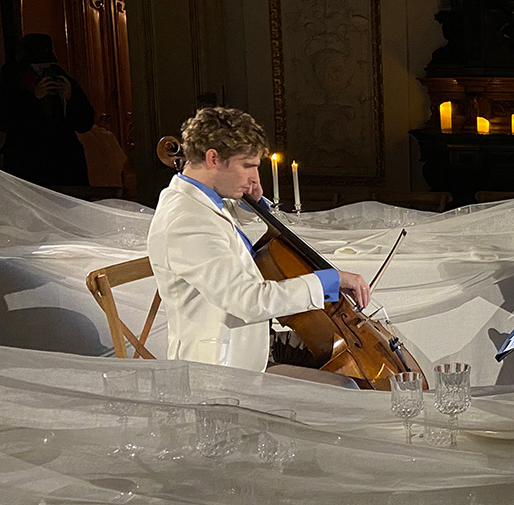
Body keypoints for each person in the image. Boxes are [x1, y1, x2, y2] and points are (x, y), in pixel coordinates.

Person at [147, 107, 370, 371]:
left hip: (249, 349)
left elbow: (223, 227)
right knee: (346, 385)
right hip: (220, 369)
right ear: (213, 158)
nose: (254, 178)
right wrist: (327, 281)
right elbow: (248, 301)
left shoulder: (196, 200)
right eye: (247, 166)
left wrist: (249, 204)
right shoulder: (187, 221)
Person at [0, 32, 95, 187]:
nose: (43, 67)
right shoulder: (11, 81)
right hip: (27, 166)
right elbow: (6, 121)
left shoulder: (59, 77)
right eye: (37, 63)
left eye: (46, 62)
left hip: (64, 166)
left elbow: (85, 123)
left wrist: (70, 98)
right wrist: (33, 98)